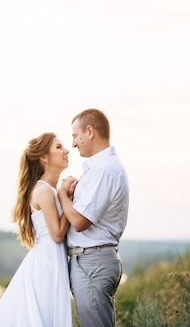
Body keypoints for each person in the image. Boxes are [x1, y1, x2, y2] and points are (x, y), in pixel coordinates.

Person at [0, 132, 73, 327]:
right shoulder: (44, 191)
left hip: (52, 260)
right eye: (59, 147)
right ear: (44, 157)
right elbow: (57, 234)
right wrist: (66, 197)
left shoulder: (50, 190)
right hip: (46, 264)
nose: (66, 150)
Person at [58, 108, 129, 327]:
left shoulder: (104, 171)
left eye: (75, 136)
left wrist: (62, 196)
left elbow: (79, 222)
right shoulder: (100, 169)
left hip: (92, 263)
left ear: (89, 131)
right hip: (90, 262)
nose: (73, 144)